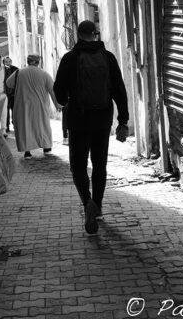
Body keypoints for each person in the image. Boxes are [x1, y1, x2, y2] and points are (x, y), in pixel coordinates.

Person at [53, 20, 129, 235]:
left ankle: (87, 203)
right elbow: (119, 91)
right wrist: (123, 120)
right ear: (95, 34)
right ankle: (97, 206)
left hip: (78, 120)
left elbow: (59, 92)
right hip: (102, 120)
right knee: (99, 164)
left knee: (78, 165)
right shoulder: (108, 57)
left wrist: (68, 100)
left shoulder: (69, 58)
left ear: (78, 34)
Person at [6, 54, 59, 159]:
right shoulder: (44, 74)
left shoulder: (19, 73)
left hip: (23, 105)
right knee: (42, 125)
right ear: (37, 62)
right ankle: (46, 147)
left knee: (26, 127)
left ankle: (27, 151)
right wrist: (57, 104)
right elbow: (52, 90)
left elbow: (8, 83)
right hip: (40, 106)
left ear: (28, 61)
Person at [3, 56, 18, 135]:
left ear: (11, 62)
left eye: (9, 61)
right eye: (6, 62)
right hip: (6, 93)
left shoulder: (16, 69)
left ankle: (15, 125)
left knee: (15, 110)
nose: (8, 63)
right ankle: (7, 126)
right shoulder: (2, 70)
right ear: (4, 62)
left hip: (14, 93)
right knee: (6, 110)